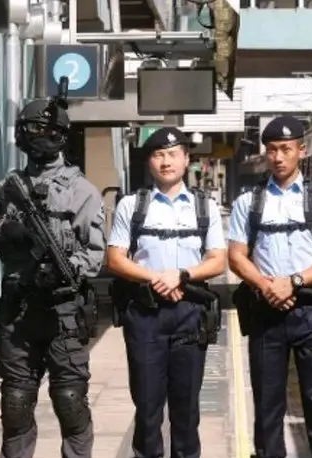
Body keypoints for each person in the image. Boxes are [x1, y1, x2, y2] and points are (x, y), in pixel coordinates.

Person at [0, 96, 106, 458]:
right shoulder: (7, 188)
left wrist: (63, 271)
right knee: (16, 405)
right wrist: (3, 232)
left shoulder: (83, 191)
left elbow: (95, 255)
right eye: (32, 129)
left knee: (70, 402)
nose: (39, 137)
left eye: (47, 130)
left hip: (63, 311)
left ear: (61, 135)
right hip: (17, 314)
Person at [227, 116, 312, 458]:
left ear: (301, 151)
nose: (278, 157)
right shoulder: (247, 203)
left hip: (311, 313)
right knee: (267, 406)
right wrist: (267, 286)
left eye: (285, 149)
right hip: (266, 311)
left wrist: (292, 282)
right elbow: (237, 257)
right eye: (272, 150)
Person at [106, 127, 227, 458]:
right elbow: (115, 258)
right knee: (147, 410)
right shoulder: (132, 205)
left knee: (186, 412)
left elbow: (218, 260)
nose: (166, 161)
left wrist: (182, 276)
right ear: (149, 162)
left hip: (190, 316)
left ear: (186, 160)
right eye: (158, 155)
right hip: (145, 317)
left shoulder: (205, 207)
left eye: (173, 154)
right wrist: (156, 278)